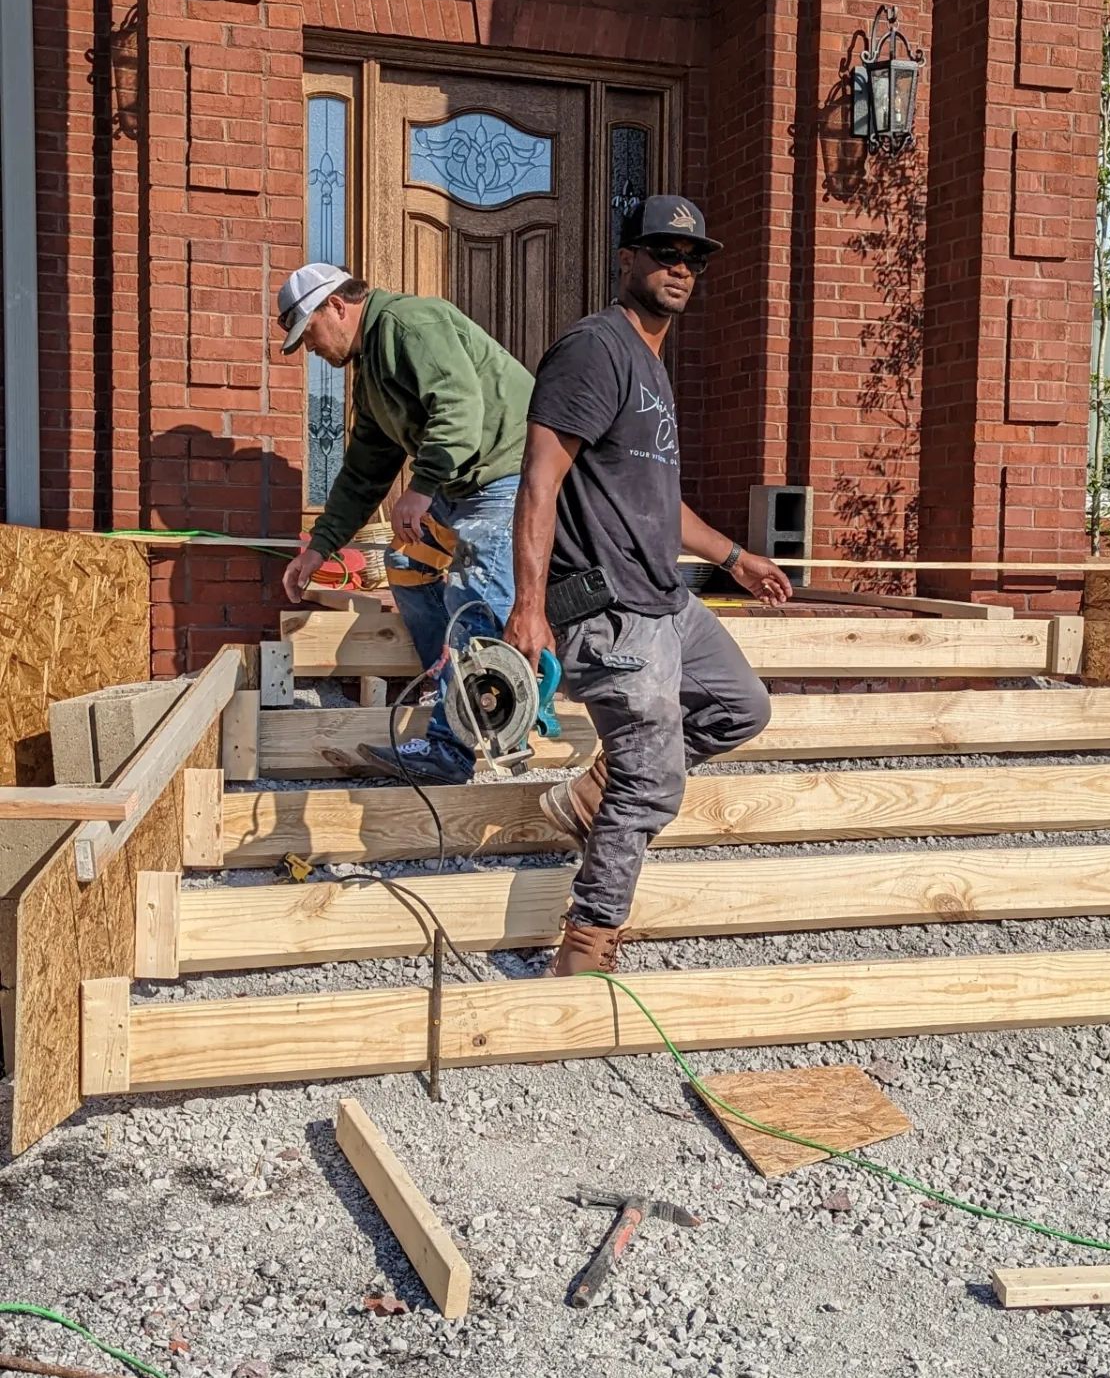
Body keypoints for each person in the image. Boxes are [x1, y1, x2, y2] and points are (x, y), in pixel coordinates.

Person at [503, 195, 793, 978]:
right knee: (652, 770)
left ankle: (591, 794)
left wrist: (735, 558)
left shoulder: (651, 364)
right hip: (605, 608)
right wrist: (528, 608)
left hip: (664, 599)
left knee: (741, 706)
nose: (679, 267)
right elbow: (539, 481)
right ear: (626, 258)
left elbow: (655, 503)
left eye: (693, 258)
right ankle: (587, 945)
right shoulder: (594, 351)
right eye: (663, 251)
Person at [274, 262, 534, 785]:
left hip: (511, 474)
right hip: (464, 486)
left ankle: (465, 739)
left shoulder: (411, 325)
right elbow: (364, 471)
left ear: (337, 306)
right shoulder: (371, 375)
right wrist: (319, 549)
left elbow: (459, 411)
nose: (312, 350)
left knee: (473, 593)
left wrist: (420, 490)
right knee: (405, 561)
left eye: (311, 334)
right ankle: (457, 693)